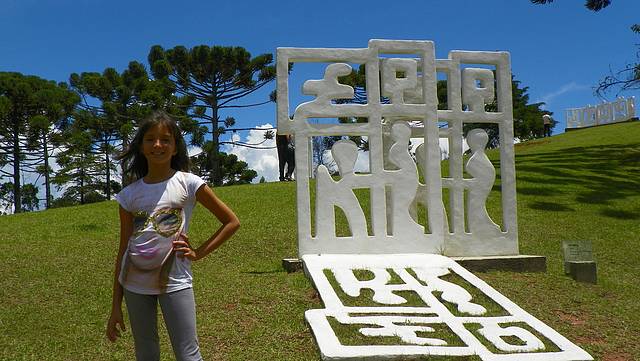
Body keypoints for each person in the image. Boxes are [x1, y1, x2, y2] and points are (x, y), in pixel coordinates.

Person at [106, 110, 240, 361]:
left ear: (176, 147)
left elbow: (231, 222)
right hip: (134, 284)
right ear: (141, 146)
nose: (158, 144)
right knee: (146, 354)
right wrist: (115, 306)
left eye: (165, 139)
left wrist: (198, 253)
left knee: (188, 354)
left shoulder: (189, 184)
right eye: (150, 139)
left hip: (176, 281)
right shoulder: (128, 195)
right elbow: (124, 249)